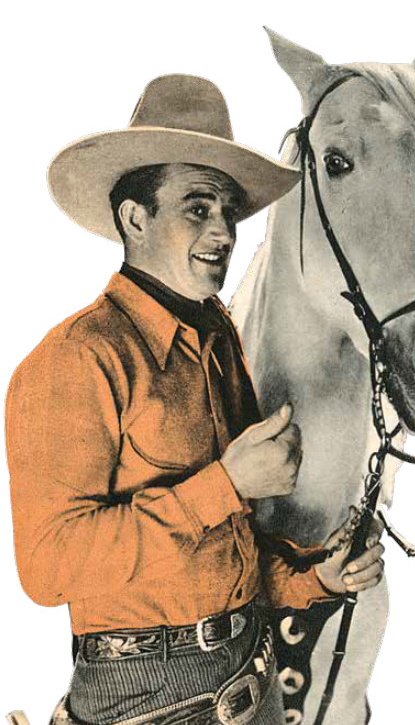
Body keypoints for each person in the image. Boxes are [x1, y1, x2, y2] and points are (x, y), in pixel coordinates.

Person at [5, 74, 385, 725]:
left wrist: (317, 577)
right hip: (145, 702)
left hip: (253, 681)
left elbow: (229, 552)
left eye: (228, 211)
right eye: (198, 207)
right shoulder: (75, 358)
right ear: (136, 218)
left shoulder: (217, 338)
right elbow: (48, 568)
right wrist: (226, 484)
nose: (224, 231)